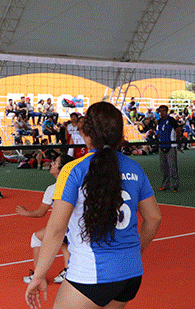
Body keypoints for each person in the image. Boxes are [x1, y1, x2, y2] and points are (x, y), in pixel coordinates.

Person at [25, 101, 162, 309]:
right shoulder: (134, 168)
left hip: (92, 275)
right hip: (131, 274)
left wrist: (39, 274)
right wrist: (135, 251)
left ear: (86, 132)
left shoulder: (73, 170)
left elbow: (55, 229)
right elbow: (154, 218)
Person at [19, 154, 74, 285]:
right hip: (77, 225)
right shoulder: (76, 184)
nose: (51, 164)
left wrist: (25, 213)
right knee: (64, 242)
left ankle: (38, 275)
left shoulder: (53, 189)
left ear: (62, 169)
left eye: (55, 162)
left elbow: (40, 213)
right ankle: (68, 271)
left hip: (66, 226)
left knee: (37, 237)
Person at [157, 105, 181, 192]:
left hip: (171, 146)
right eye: (160, 111)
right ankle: (165, 185)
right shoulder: (159, 121)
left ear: (167, 111)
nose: (161, 113)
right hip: (162, 146)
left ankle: (175, 186)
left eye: (163, 111)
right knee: (163, 167)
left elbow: (178, 131)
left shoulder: (172, 120)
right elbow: (159, 132)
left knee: (172, 167)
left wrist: (177, 142)